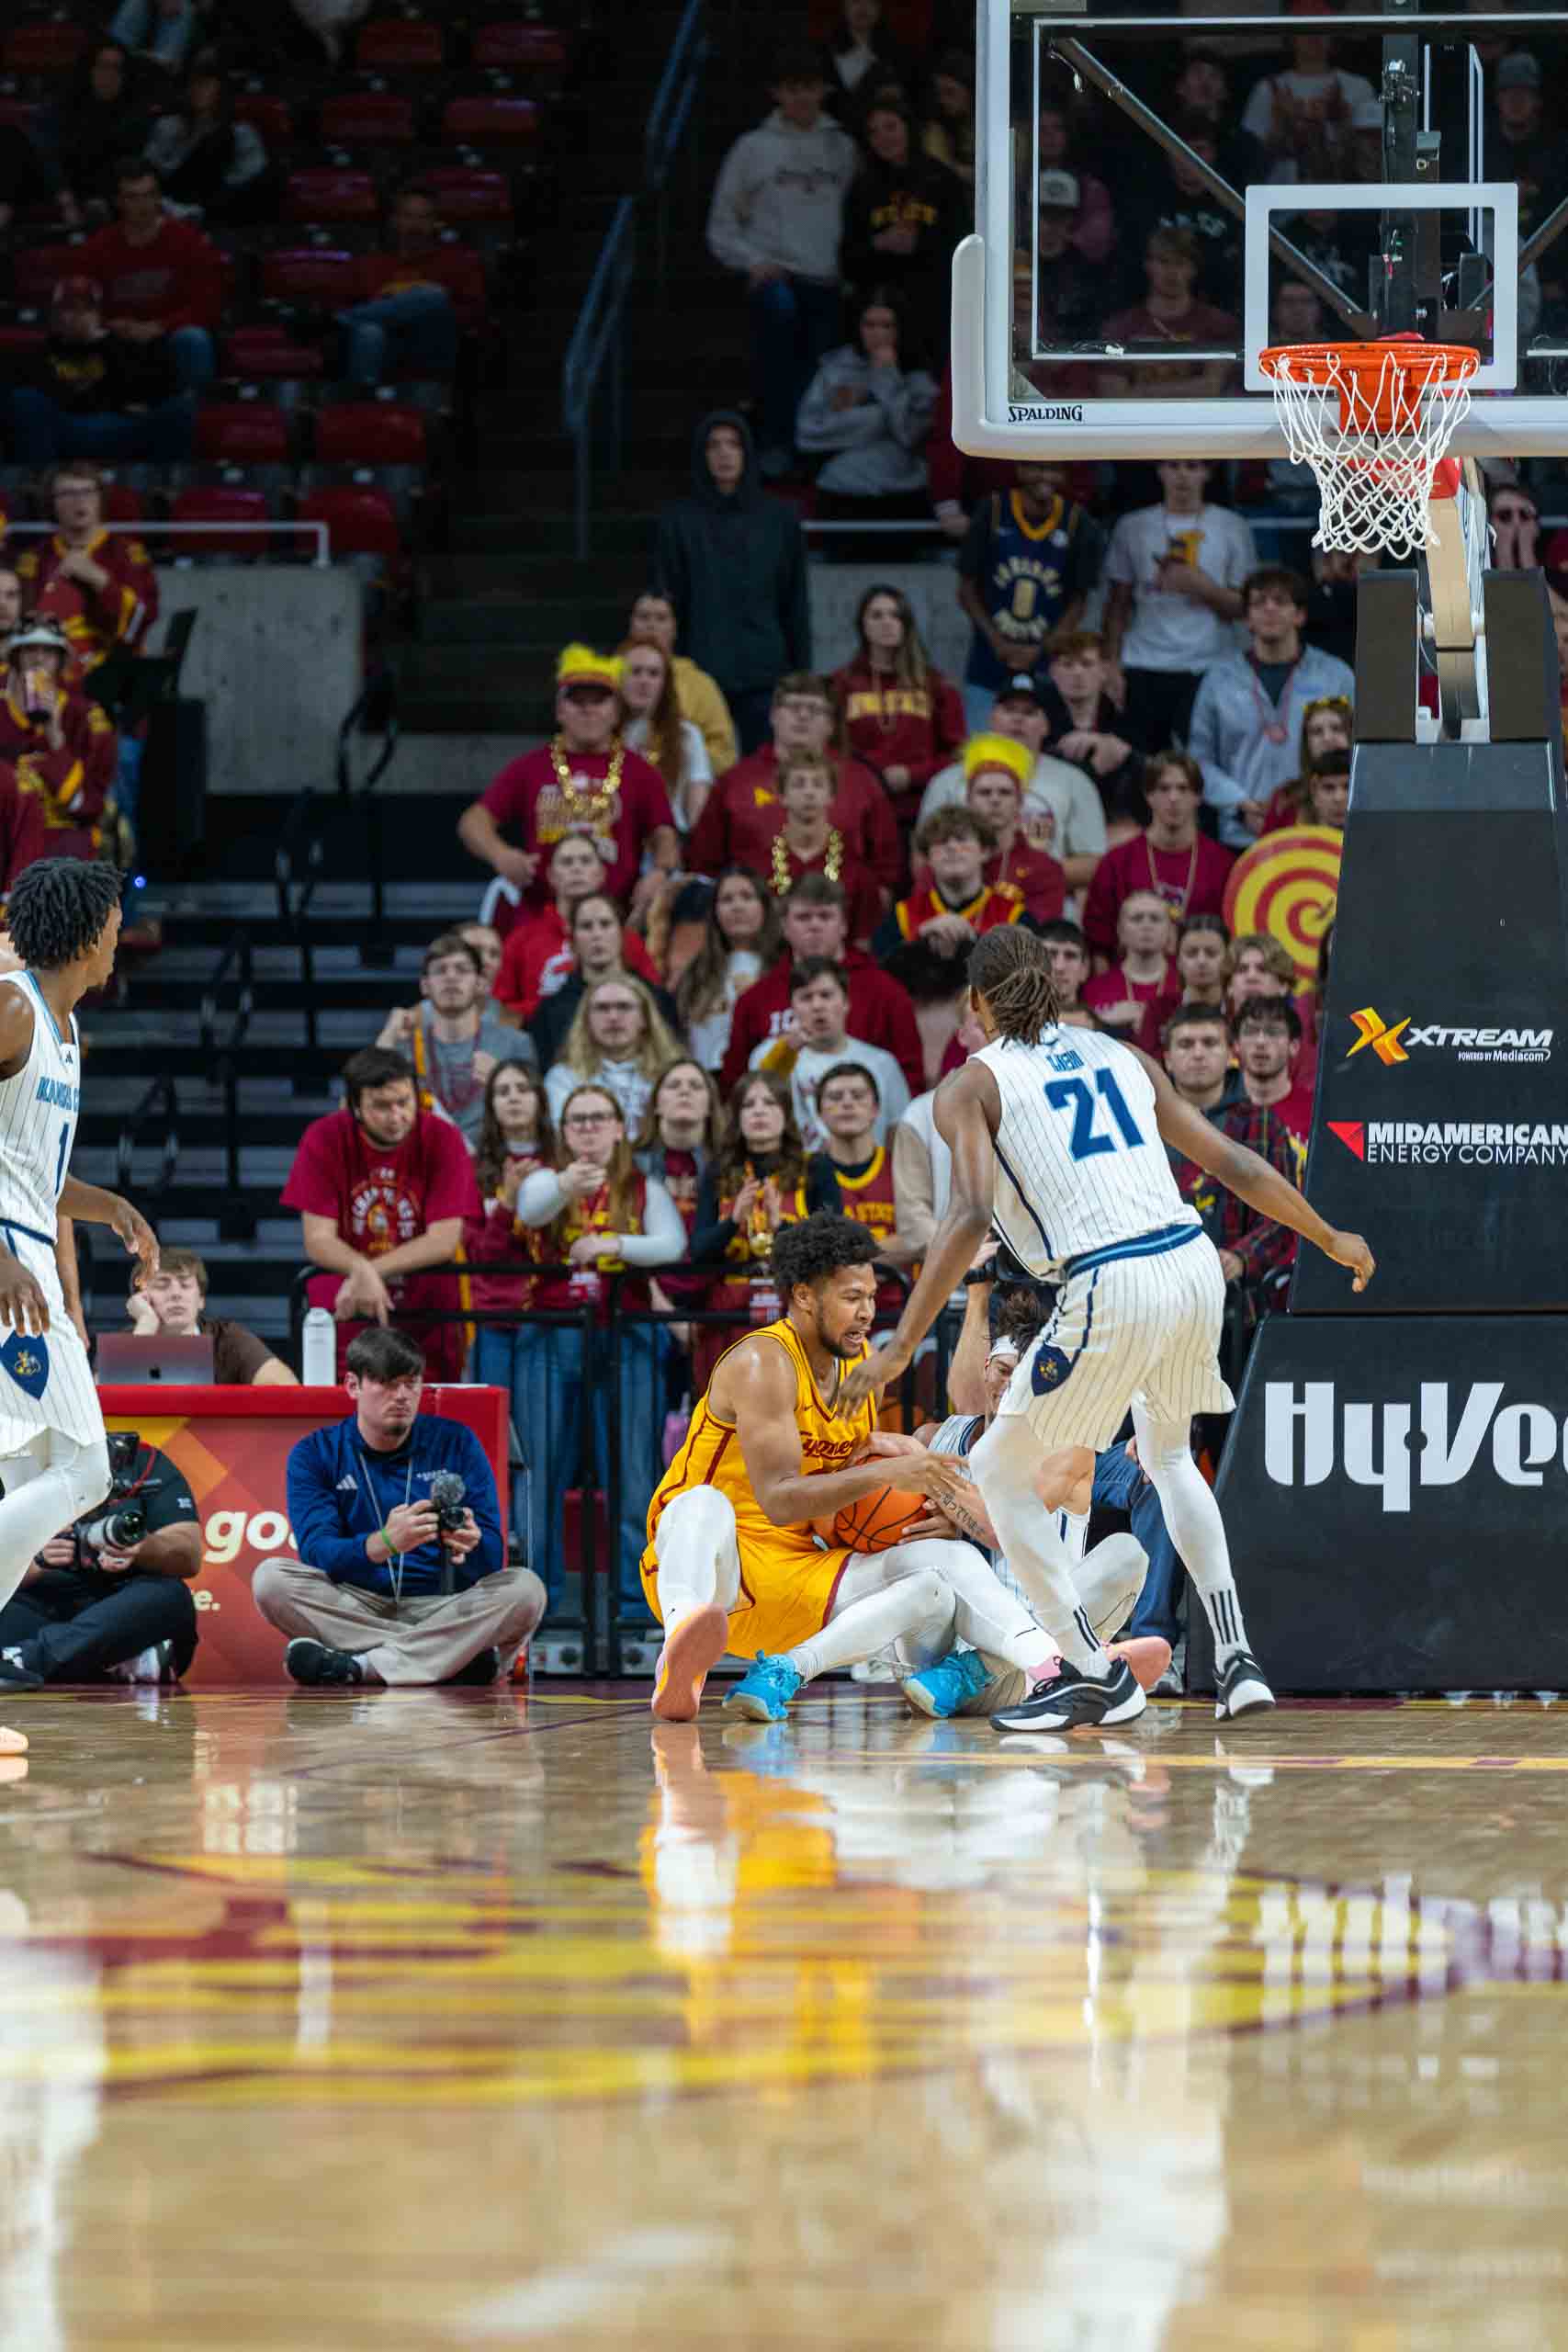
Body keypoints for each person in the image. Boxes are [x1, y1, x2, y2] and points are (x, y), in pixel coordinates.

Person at [843, 926, 1375, 1728]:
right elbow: (1233, 1163)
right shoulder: (1121, 1054)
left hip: (1109, 1278)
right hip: (1191, 1263)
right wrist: (1327, 1236)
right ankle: (1236, 1659)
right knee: (1165, 1453)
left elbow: (967, 1216)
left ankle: (1090, 1670)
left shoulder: (969, 1085)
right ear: (1052, 987)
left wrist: (897, 1348)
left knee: (992, 1466)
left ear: (978, 1002)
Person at [642, 1212, 1087, 1725]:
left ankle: (1049, 1667)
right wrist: (884, 1477)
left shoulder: (861, 1371)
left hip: (797, 1575)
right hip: (716, 1570)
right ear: (805, 1296)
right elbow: (780, 1500)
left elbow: (843, 1515)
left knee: (938, 1568)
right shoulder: (763, 1364)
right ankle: (681, 1651)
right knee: (701, 1504)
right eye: (852, 1298)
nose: (867, 1313)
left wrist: (923, 1511)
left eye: (872, 1298)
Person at [0, 860, 160, 1724]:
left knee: (24, 1471)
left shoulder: (62, 1030)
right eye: (113, 919)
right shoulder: (14, 1002)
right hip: (9, 1276)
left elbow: (32, 1173)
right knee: (86, 1468)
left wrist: (110, 1208)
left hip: (26, 1261)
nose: (119, 935)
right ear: (85, 926)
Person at [908, 1273, 1170, 1708]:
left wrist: (936, 1489)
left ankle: (1045, 1667)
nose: (1008, 1387)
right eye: (1001, 1371)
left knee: (1126, 1553)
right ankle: (1095, 1666)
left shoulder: (1068, 1451)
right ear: (984, 1368)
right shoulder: (936, 1439)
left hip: (1010, 1672)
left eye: (1022, 1378)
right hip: (935, 1664)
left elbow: (999, 1526)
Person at [256, 1327, 545, 1688]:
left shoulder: (456, 1442)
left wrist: (470, 1545)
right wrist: (385, 1543)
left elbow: (491, 1559)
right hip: (356, 1604)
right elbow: (318, 1554)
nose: (402, 1396)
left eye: (411, 1384)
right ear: (352, 1386)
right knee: (271, 1580)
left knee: (526, 1588)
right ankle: (448, 1661)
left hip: (441, 1607)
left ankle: (361, 1666)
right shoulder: (316, 1453)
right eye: (387, 1383)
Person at [513, 1085, 685, 1613]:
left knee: (633, 1468)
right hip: (552, 1330)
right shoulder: (546, 1177)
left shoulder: (641, 1186)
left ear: (618, 1128)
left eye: (599, 1119)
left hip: (625, 1330)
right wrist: (567, 1184)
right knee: (540, 1469)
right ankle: (537, 1599)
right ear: (564, 1132)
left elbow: (671, 1245)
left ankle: (637, 1601)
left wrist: (613, 1245)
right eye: (577, 1120)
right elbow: (533, 1210)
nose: (588, 1129)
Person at [281, 1046, 479, 1383]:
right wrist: (361, 1271)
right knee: (347, 1414)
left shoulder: (443, 1138)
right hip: (348, 1311)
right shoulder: (324, 1137)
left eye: (404, 1102)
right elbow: (317, 1240)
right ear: (355, 1107)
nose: (396, 1116)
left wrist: (369, 1271)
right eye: (381, 1106)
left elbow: (444, 1241)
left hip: (427, 1314)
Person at [705, 51, 858, 478]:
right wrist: (752, 261)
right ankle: (776, 445)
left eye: (810, 87)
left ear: (823, 91)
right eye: (793, 89)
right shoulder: (752, 148)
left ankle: (815, 455)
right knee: (779, 364)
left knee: (823, 373)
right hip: (778, 277)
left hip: (828, 278)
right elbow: (721, 223)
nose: (803, 97)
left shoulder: (843, 147)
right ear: (776, 94)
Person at [458, 646, 678, 929]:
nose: (588, 709)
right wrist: (501, 854)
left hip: (616, 922)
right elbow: (472, 822)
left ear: (615, 712)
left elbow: (665, 835)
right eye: (577, 701)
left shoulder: (640, 772)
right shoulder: (530, 767)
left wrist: (659, 873)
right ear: (560, 711)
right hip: (540, 920)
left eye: (598, 701)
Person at [653, 413, 812, 750]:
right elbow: (668, 602)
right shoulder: (678, 521)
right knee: (703, 774)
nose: (724, 454)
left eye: (733, 444)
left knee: (764, 779)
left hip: (766, 671)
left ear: (747, 452)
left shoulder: (779, 519)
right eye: (714, 445)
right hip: (699, 671)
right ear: (702, 455)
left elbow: (795, 602)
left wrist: (800, 677)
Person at [0, 1430, 199, 1686]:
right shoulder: (10, 1462)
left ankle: (26, 1661)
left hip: (123, 1606)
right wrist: (34, 1563)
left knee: (172, 1596)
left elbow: (189, 1554)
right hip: (41, 1604)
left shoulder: (140, 1460)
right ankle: (112, 1664)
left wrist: (142, 1547)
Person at [686, 672, 899, 898]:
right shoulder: (735, 782)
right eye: (793, 707)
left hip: (840, 921)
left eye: (814, 709)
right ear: (773, 716)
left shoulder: (861, 781)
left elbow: (886, 873)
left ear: (830, 724)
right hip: (754, 922)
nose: (803, 716)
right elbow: (704, 866)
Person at [1186, 566, 1356, 848]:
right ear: (1247, 619)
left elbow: (1359, 751)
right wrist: (1238, 803)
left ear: (1300, 615)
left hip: (1320, 831)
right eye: (1259, 602)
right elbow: (1199, 759)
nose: (1269, 609)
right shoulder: (1218, 680)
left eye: (1280, 601)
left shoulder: (1336, 676)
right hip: (1239, 833)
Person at [1100, 461, 1257, 749]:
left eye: (1193, 466)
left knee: (1207, 763)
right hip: (1143, 663)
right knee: (1140, 763)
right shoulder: (1132, 525)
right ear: (1159, 471)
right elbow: (1116, 605)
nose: (1182, 475)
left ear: (1207, 472)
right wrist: (1111, 663)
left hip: (1209, 663)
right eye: (1174, 466)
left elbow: (1245, 609)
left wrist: (1201, 585)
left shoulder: (1231, 526)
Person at [720, 872, 921, 1095]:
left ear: (844, 925)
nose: (814, 926)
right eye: (803, 917)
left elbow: (909, 1078)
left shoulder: (886, 993)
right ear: (784, 926)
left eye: (825, 916)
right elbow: (735, 1083)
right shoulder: (754, 1000)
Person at [918, 673, 1108, 894]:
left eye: (1029, 713)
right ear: (991, 718)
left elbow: (1094, 862)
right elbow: (921, 857)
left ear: (1046, 725)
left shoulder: (1074, 781)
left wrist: (1026, 875)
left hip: (1046, 908)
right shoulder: (947, 781)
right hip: (959, 906)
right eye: (1009, 710)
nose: (1018, 719)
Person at [876, 807, 1026, 1080]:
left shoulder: (1014, 914)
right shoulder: (902, 916)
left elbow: (1028, 981)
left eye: (962, 840)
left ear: (984, 851)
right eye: (942, 842)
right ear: (928, 858)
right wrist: (918, 937)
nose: (952, 848)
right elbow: (877, 981)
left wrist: (974, 940)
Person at [957, 464, 1100, 732]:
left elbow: (1079, 602)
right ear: (1019, 469)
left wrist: (1043, 648)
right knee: (984, 753)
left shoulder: (1077, 522)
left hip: (1048, 667)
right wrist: (997, 641)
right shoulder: (993, 511)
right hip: (988, 662)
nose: (1045, 477)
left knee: (1047, 756)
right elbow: (966, 590)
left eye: (1053, 469)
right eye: (1036, 468)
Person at [6, 275, 194, 469]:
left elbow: (145, 391)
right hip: (67, 427)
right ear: (56, 315)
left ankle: (166, 484)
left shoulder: (124, 345)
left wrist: (102, 344)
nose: (78, 315)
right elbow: (39, 398)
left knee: (180, 407)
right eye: (69, 308)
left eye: (86, 308)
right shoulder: (42, 351)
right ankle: (37, 480)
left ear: (98, 314)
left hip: (118, 427)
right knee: (24, 400)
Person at [78, 157, 221, 395]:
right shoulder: (97, 248)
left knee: (194, 339)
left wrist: (159, 326)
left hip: (170, 335)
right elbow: (81, 306)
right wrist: (109, 324)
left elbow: (208, 304)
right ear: (118, 202)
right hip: (118, 338)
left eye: (149, 195)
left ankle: (193, 417)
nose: (144, 205)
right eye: (133, 197)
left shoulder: (187, 241)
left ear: (158, 197)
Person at [17, 465, 159, 705]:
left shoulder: (127, 554)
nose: (79, 500)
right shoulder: (35, 558)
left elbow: (142, 618)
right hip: (45, 669)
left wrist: (100, 580)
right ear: (52, 503)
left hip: (110, 673)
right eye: (67, 493)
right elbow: (20, 622)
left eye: (87, 492)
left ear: (100, 499)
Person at [828, 584, 964, 831]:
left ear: (907, 624)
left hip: (923, 807)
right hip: (860, 805)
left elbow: (956, 754)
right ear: (863, 625)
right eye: (876, 615)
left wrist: (912, 775)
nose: (887, 622)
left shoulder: (937, 685)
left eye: (895, 615)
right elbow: (831, 748)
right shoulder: (841, 684)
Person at [795, 288, 939, 514]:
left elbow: (911, 434)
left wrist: (888, 375)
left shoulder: (918, 377)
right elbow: (808, 433)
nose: (877, 334)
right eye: (869, 325)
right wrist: (876, 419)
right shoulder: (834, 369)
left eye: (886, 326)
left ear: (900, 329)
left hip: (903, 488)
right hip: (841, 485)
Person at [491, 842, 660, 1030]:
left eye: (585, 861)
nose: (576, 868)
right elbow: (501, 1009)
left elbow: (652, 999)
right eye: (567, 862)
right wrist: (549, 1009)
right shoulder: (521, 939)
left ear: (601, 875)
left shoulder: (627, 940)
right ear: (551, 876)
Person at [1082, 754, 1235, 959]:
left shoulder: (1222, 863)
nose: (1173, 798)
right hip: (1129, 980)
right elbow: (1099, 941)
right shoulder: (1117, 862)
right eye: (1164, 789)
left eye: (1183, 789)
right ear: (1149, 796)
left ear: (1198, 797)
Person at [377, 933, 520, 1149]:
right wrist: (387, 1037)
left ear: (480, 983)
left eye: (462, 969)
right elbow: (360, 1109)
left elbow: (537, 1122)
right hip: (420, 1163)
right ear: (425, 986)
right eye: (440, 970)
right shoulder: (403, 1044)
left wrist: (500, 1083)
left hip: (492, 1166)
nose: (451, 977)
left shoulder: (514, 1043)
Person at [750, 958, 910, 1151]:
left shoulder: (882, 1063)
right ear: (792, 1006)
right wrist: (787, 1051)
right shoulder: (766, 1054)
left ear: (846, 1003)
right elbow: (756, 1108)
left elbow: (899, 1136)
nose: (817, 1006)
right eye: (806, 998)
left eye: (826, 995)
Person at [838, 107, 960, 341]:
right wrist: (878, 243)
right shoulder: (862, 188)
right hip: (879, 314)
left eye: (891, 127)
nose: (884, 137)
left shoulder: (942, 179)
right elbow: (847, 261)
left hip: (936, 305)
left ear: (909, 127)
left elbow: (962, 245)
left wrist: (920, 242)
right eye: (874, 132)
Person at [0, 619, 118, 863]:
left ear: (61, 660)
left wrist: (55, 737)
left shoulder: (85, 716)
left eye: (48, 651)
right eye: (30, 650)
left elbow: (89, 806)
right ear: (15, 658)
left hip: (62, 838)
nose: (39, 659)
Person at [526, 894, 677, 1076]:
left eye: (605, 924)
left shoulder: (657, 999)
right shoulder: (550, 1010)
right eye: (586, 926)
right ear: (572, 939)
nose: (597, 935)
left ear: (622, 933)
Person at [336, 183, 468, 389]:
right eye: (408, 216)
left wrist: (416, 306)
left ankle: (337, 322)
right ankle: (364, 401)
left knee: (434, 295)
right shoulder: (369, 264)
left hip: (431, 342)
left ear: (436, 223)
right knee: (369, 332)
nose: (415, 225)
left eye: (424, 217)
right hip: (381, 343)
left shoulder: (456, 262)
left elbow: (472, 312)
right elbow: (347, 301)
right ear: (394, 221)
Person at [814, 1061, 918, 1320]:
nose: (847, 1103)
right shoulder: (806, 1175)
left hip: (897, 1316)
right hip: (830, 1321)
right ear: (820, 1113)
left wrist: (843, 1261)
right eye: (836, 1097)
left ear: (875, 1110)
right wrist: (885, 1253)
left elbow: (917, 1240)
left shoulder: (903, 1168)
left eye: (858, 1096)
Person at [1097, 227, 1239, 402]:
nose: (1172, 273)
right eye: (1164, 262)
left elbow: (1212, 387)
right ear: (1148, 265)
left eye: (1181, 263)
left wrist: (1142, 392)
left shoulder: (1218, 323)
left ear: (1193, 269)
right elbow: (1114, 397)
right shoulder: (1119, 328)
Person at [126, 1246, 298, 1385]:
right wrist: (146, 1324)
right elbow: (102, 1409)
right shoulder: (127, 1342)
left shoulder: (228, 1338)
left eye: (185, 1284)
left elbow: (282, 1386)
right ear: (141, 1298)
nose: (176, 1294)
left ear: (201, 1299)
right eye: (162, 1285)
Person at [541, 973, 682, 1134]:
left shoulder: (672, 1073)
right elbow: (565, 1135)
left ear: (644, 1018)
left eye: (624, 1007)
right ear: (587, 1020)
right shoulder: (563, 1078)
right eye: (602, 1008)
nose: (613, 1017)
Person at [761, 756, 882, 944]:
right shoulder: (760, 865)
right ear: (782, 796)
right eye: (799, 784)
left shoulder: (856, 871)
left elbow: (863, 944)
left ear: (831, 796)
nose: (809, 792)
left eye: (817, 784)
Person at [143, 50, 271, 226]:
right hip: (169, 199)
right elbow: (152, 168)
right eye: (193, 84)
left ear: (220, 89)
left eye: (205, 84)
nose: (197, 90)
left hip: (214, 206)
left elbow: (247, 180)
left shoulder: (239, 132)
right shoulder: (168, 126)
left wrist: (208, 206)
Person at [1040, 630, 1148, 836]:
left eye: (1087, 664)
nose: (1077, 673)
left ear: (1104, 671)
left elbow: (1152, 776)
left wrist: (1122, 751)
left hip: (1115, 827)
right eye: (1067, 665)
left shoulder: (1127, 721)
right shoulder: (1039, 720)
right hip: (1054, 826)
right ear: (1053, 672)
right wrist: (1092, 766)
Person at [671, 868, 780, 1073]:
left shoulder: (783, 967)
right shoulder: (696, 972)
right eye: (727, 900)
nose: (737, 906)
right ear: (715, 911)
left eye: (747, 897)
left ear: (764, 906)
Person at [625, 590, 737, 774]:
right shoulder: (609, 676)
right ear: (631, 624)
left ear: (674, 628)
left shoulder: (701, 684)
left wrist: (678, 758)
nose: (651, 625)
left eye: (661, 618)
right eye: (643, 617)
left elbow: (725, 753)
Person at [962, 737, 1068, 922]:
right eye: (984, 792)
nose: (995, 800)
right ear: (968, 801)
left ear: (1020, 802)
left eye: (1005, 792)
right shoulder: (946, 861)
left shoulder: (1044, 868)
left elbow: (1039, 934)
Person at [615, 638, 713, 835]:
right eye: (635, 672)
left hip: (671, 841)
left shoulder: (687, 735)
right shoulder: (600, 735)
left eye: (653, 674)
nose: (644, 681)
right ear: (618, 678)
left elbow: (698, 811)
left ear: (664, 683)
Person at [1080, 890, 1181, 1056]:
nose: (1146, 925)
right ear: (1120, 930)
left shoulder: (1183, 983)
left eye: (1155, 918)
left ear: (1170, 930)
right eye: (1137, 918)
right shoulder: (1093, 989)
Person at [1234, 994, 1314, 1157]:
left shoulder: (1316, 1112)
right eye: (1251, 1032)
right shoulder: (1218, 1110)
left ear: (1294, 1046)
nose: (1261, 1042)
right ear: (1236, 1045)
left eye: (1273, 1032)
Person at [1175, 910, 1231, 1010]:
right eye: (1191, 953)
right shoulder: (1160, 1010)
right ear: (1179, 962)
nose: (1201, 961)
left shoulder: (1238, 1010)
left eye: (1211, 953)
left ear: (1227, 961)